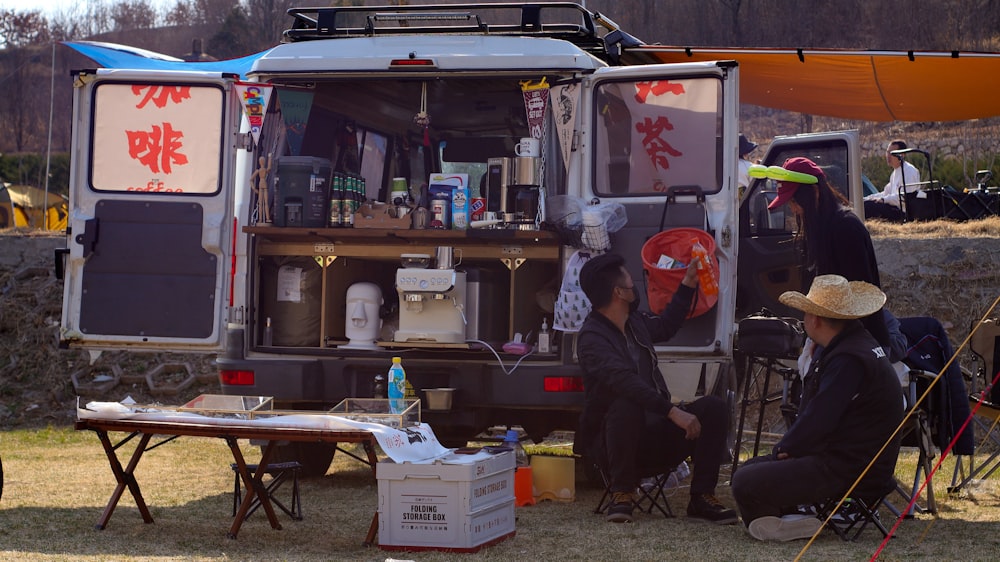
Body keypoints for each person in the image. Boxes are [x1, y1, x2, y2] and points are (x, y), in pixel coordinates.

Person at [731, 274, 903, 541]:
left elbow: (820, 417)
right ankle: (787, 519)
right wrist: (789, 450)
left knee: (745, 481)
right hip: (854, 459)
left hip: (848, 468)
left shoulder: (847, 359)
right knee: (752, 468)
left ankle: (784, 521)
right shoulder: (857, 346)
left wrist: (786, 449)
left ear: (816, 319)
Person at [573, 252, 737, 524]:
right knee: (626, 401)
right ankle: (622, 492)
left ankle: (702, 498)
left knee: (714, 408)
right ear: (619, 293)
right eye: (630, 283)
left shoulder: (634, 322)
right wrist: (674, 412)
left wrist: (687, 284)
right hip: (614, 445)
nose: (634, 288)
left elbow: (667, 325)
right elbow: (624, 381)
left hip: (654, 436)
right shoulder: (592, 338)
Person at [766, 156, 890, 350]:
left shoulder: (845, 228)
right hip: (832, 338)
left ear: (814, 192)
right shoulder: (819, 228)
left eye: (795, 201)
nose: (793, 209)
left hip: (860, 342)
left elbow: (857, 296)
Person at [863, 139, 921, 222]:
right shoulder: (894, 173)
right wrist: (866, 198)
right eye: (887, 152)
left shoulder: (909, 171)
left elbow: (906, 197)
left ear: (902, 155)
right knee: (864, 204)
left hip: (903, 213)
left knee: (869, 207)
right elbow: (885, 193)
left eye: (892, 153)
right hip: (894, 209)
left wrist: (884, 200)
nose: (888, 156)